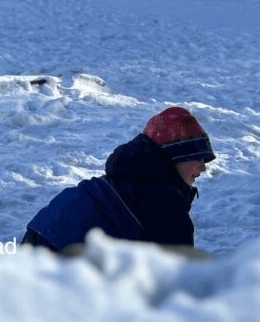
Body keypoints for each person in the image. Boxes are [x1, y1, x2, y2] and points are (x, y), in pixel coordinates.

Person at [21, 106, 215, 252]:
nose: (203, 167)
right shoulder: (164, 201)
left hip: (37, 238)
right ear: (173, 158)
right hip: (65, 260)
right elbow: (176, 271)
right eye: (196, 158)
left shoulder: (127, 180)